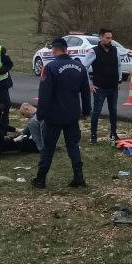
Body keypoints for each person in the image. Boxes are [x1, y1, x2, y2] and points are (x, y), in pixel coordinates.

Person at [34, 37, 91, 188]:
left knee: (48, 147)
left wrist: (40, 115)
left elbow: (44, 94)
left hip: (54, 115)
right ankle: (79, 177)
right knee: (73, 145)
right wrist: (86, 111)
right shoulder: (80, 67)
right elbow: (86, 92)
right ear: (67, 49)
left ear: (54, 50)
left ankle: (40, 179)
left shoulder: (50, 67)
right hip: (72, 114)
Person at [88, 28, 121, 143]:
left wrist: (119, 81)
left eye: (111, 38)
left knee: (113, 111)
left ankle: (113, 133)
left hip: (113, 87)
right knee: (96, 112)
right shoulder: (93, 51)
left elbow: (119, 66)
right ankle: (93, 136)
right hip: (99, 88)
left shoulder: (115, 50)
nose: (110, 40)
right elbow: (83, 68)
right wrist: (89, 84)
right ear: (101, 37)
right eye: (107, 38)